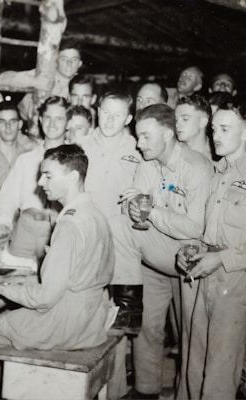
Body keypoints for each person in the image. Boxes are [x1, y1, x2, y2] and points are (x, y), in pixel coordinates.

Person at [0, 144, 115, 400]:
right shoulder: (93, 213)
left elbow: (45, 297)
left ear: (73, 176)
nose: (40, 182)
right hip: (91, 319)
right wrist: (16, 280)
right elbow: (79, 274)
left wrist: (1, 287)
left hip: (63, 324)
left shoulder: (69, 224)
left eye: (48, 175)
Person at [111, 104, 213, 399]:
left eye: (145, 137)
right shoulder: (146, 163)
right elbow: (139, 222)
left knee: (189, 336)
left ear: (168, 134)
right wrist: (135, 210)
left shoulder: (197, 167)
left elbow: (194, 228)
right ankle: (146, 389)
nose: (139, 144)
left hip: (190, 255)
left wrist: (151, 209)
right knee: (148, 325)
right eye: (138, 137)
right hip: (158, 251)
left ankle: (187, 393)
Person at [177, 100, 246, 400]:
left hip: (236, 280)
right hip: (208, 275)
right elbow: (213, 230)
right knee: (196, 362)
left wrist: (221, 257)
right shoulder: (220, 172)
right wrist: (193, 248)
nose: (215, 135)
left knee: (219, 372)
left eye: (225, 129)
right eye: (214, 128)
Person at [79, 91, 142, 334]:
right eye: (105, 113)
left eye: (117, 115)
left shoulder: (137, 148)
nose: (109, 120)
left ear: (128, 119)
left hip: (120, 231)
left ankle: (129, 308)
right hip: (87, 227)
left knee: (115, 321)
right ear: (97, 111)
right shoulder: (82, 144)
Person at [0, 96, 68, 261]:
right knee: (15, 273)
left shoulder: (74, 160)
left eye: (59, 118)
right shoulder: (26, 159)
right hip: (26, 230)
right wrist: (3, 222)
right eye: (48, 117)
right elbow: (8, 196)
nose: (52, 124)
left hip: (58, 230)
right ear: (40, 120)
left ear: (67, 122)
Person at [0, 37, 82, 121]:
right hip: (24, 123)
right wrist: (34, 81)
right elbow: (1, 79)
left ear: (80, 63)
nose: (69, 64)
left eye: (74, 60)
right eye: (64, 59)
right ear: (56, 61)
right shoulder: (46, 74)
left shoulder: (81, 84)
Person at [0, 101, 37, 221]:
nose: (8, 127)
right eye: (2, 122)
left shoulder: (28, 155)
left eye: (12, 121)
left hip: (22, 227)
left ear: (20, 124)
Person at [175, 94, 213, 159]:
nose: (176, 125)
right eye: (176, 120)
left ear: (202, 122)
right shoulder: (171, 153)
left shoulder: (217, 155)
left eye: (185, 119)